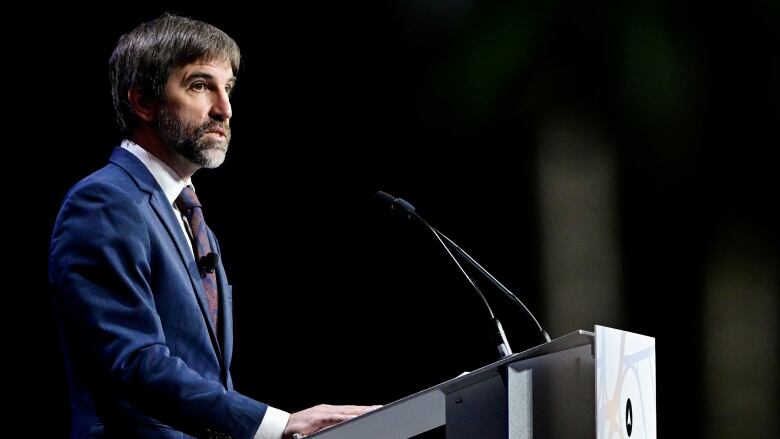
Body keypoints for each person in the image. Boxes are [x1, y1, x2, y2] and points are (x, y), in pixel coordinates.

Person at [49, 13, 378, 439]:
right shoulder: (105, 202)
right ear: (143, 102)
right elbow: (133, 361)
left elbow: (204, 373)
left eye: (228, 89)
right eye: (200, 86)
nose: (224, 109)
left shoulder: (184, 212)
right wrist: (276, 424)